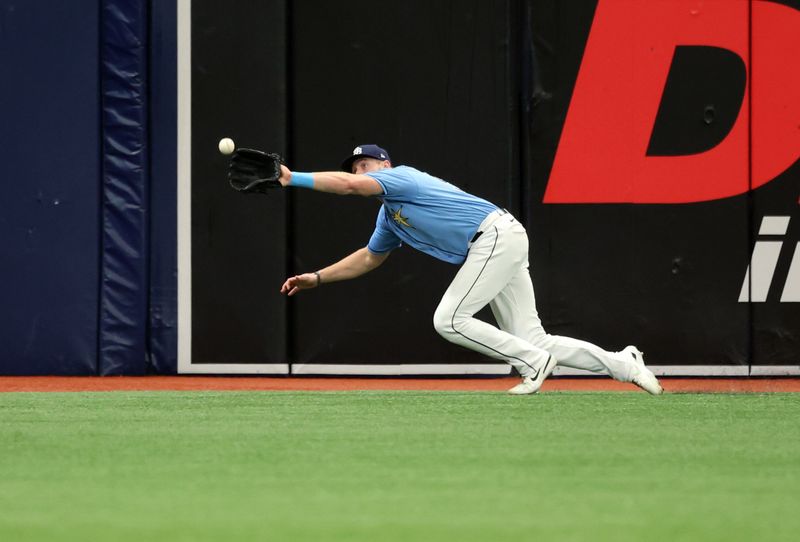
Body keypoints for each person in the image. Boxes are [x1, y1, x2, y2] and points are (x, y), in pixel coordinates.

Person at [278, 144, 663, 395]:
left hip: (493, 236)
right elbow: (368, 257)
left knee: (449, 319)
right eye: (356, 167)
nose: (361, 171)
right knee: (534, 337)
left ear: (385, 166)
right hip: (501, 239)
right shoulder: (389, 217)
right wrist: (317, 278)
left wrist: (293, 177)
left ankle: (531, 363)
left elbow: (347, 186)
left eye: (366, 165)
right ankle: (623, 364)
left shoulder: (401, 178)